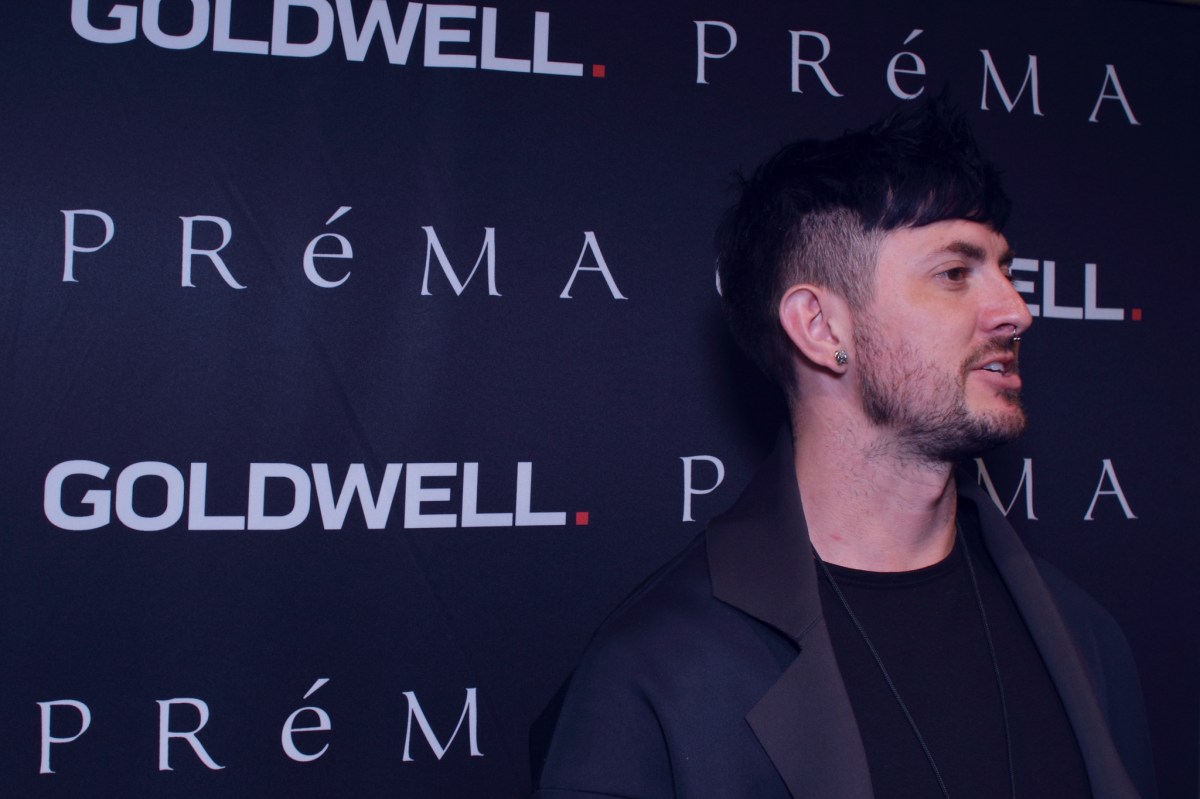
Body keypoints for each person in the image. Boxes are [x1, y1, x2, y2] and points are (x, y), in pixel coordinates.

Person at [531, 101, 1157, 798]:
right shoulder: (656, 673)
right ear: (821, 326)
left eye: (1006, 270)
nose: (1017, 310)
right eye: (955, 272)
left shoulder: (1082, 634)